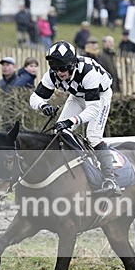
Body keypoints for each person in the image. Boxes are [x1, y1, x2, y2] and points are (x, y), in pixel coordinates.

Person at [30, 40, 120, 195]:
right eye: (55, 68)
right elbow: (35, 98)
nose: (60, 72)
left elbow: (92, 109)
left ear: (72, 64)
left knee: (92, 136)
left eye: (64, 67)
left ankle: (110, 178)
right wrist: (43, 106)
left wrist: (71, 120)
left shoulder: (88, 72)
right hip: (77, 96)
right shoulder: (52, 75)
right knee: (61, 134)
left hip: (100, 97)